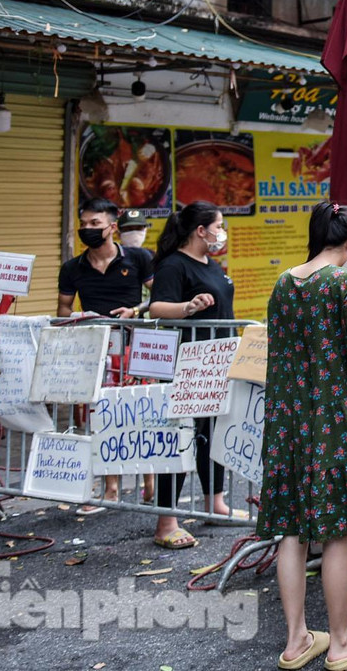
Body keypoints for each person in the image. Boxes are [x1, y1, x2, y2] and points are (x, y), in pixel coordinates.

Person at [257, 201, 347, 671]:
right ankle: (340, 642)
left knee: (291, 531)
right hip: (332, 422)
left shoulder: (284, 281)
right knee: (335, 536)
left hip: (288, 423)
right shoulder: (344, 282)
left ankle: (296, 642)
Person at [58, 197, 155, 513]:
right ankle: (110, 489)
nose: (87, 229)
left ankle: (151, 481)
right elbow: (62, 309)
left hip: (134, 350)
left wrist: (136, 310)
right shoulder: (72, 268)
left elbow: (161, 299)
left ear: (112, 227)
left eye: (94, 224)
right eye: (83, 223)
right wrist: (72, 324)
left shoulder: (140, 259)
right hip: (94, 352)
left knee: (143, 414)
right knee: (103, 418)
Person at [147, 201, 234, 549]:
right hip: (187, 365)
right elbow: (157, 307)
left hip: (217, 363)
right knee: (180, 438)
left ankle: (216, 503)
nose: (221, 231)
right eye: (219, 225)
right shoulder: (173, 265)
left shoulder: (210, 264)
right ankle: (166, 522)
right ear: (201, 231)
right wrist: (188, 307)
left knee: (212, 434)